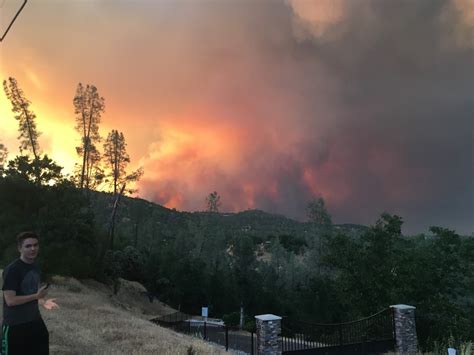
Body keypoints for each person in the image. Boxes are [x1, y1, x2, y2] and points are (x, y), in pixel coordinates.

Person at [1, 232, 58, 355]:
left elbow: (31, 292)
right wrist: (36, 296)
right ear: (19, 248)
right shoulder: (12, 270)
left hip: (34, 320)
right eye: (28, 246)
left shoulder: (35, 266)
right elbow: (10, 301)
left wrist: (43, 301)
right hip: (15, 325)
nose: (33, 248)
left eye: (35, 245)